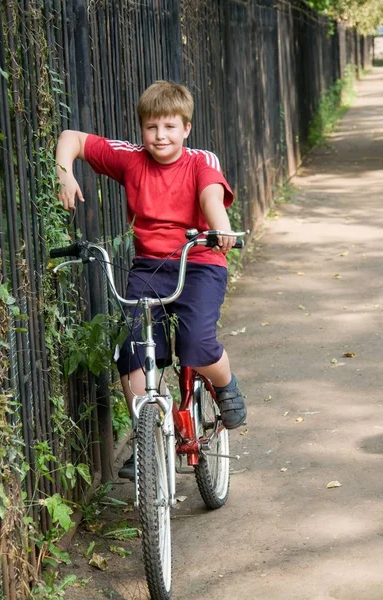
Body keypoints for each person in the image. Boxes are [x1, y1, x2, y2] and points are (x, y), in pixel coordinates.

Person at [55, 80, 247, 479]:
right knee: (133, 352)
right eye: (152, 127)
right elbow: (71, 137)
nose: (161, 136)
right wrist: (64, 174)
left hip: (199, 260)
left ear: (186, 128)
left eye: (170, 127)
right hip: (148, 268)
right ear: (142, 129)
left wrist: (221, 227)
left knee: (195, 342)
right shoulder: (131, 159)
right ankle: (149, 441)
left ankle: (225, 384)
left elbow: (212, 196)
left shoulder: (200, 160)